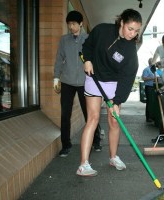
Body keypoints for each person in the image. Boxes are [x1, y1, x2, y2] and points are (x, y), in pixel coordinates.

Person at [76, 8, 142, 176]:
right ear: (122, 22)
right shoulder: (102, 30)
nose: (133, 34)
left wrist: (117, 102)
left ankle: (113, 157)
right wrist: (87, 60)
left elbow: (127, 80)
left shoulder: (130, 52)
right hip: (94, 78)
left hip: (114, 84)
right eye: (130, 29)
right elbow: (87, 46)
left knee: (114, 121)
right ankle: (83, 164)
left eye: (136, 31)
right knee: (93, 118)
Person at [53, 10, 103, 158]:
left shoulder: (88, 39)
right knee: (65, 114)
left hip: (84, 82)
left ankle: (96, 140)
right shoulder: (64, 40)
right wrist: (56, 77)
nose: (71, 27)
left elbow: (95, 60)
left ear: (81, 24)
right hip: (67, 82)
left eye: (74, 24)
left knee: (89, 113)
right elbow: (58, 59)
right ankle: (66, 145)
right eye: (69, 24)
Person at [141, 58, 155, 122]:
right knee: (149, 102)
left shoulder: (155, 70)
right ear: (150, 62)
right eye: (153, 61)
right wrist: (152, 78)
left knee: (153, 102)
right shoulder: (146, 69)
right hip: (149, 87)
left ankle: (152, 116)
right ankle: (148, 117)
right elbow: (144, 78)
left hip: (154, 87)